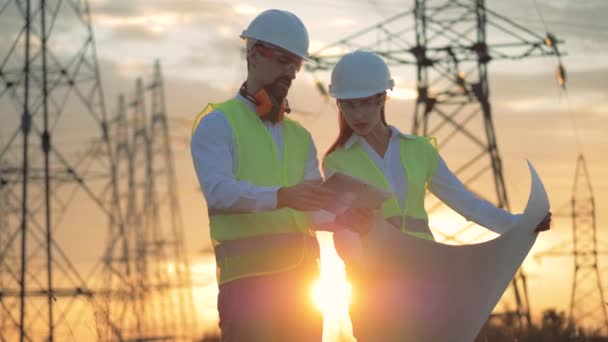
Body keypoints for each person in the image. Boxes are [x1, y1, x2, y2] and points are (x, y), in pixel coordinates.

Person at [323, 50, 552, 341]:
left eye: (365, 104)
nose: (357, 115)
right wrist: (358, 267)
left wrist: (519, 224)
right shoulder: (336, 162)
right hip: (373, 284)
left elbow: (466, 203)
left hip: (425, 279)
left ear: (382, 98)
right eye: (348, 106)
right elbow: (342, 229)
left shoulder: (419, 150)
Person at [190, 9, 334, 341]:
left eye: (296, 64)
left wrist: (349, 214)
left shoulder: (300, 137)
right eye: (284, 60)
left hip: (304, 289)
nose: (291, 72)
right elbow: (219, 191)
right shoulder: (217, 124)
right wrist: (282, 196)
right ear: (253, 54)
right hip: (247, 290)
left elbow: (313, 209)